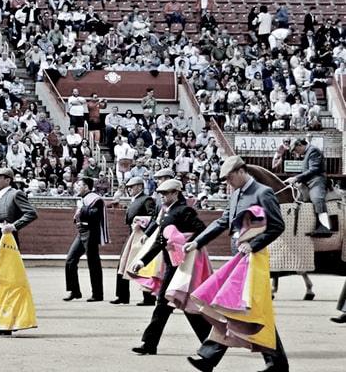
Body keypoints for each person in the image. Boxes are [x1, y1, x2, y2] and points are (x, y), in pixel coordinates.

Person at [184, 155, 289, 372]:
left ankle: (273, 363)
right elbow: (223, 222)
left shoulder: (263, 192)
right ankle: (210, 358)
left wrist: (254, 245)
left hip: (254, 258)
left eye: (230, 178)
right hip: (239, 258)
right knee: (229, 306)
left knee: (251, 309)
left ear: (242, 171)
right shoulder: (236, 194)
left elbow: (277, 226)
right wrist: (197, 241)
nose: (228, 183)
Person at [130, 178, 211, 356]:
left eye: (166, 193)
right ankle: (150, 344)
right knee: (168, 304)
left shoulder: (184, 210)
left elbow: (201, 230)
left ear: (176, 193)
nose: (162, 196)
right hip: (172, 266)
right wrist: (143, 261)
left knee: (179, 304)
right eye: (161, 194)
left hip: (182, 267)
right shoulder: (166, 212)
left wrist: (182, 241)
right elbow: (160, 242)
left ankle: (210, 343)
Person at [0, 167, 38, 336]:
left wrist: (15, 226)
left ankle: (8, 323)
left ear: (8, 179)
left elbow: (31, 213)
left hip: (10, 244)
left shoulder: (15, 194)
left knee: (9, 283)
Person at [111, 176, 156, 306]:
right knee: (123, 264)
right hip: (133, 235)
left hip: (142, 236)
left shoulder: (146, 200)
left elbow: (152, 217)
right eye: (128, 187)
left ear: (140, 187)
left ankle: (148, 298)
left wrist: (142, 223)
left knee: (143, 264)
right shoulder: (136, 199)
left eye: (131, 187)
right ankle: (122, 296)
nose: (129, 189)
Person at [63, 176, 108, 302]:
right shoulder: (83, 199)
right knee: (70, 260)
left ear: (86, 187)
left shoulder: (96, 199)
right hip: (81, 231)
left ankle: (97, 294)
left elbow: (95, 214)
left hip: (91, 232)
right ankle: (75, 291)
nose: (77, 187)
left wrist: (82, 209)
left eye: (79, 185)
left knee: (93, 263)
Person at [284, 138, 332, 237]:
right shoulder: (307, 153)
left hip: (316, 180)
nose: (296, 153)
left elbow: (314, 169)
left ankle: (325, 227)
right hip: (307, 182)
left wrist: (297, 178)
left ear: (300, 145)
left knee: (316, 198)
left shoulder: (313, 151)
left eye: (295, 150)